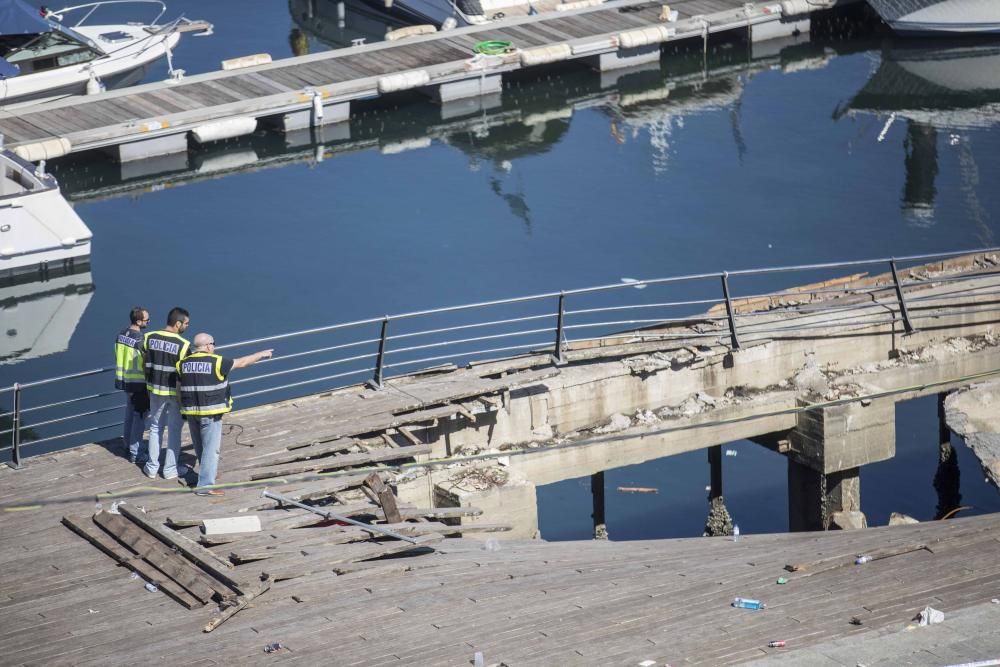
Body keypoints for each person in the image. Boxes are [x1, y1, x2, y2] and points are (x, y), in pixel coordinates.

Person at [176, 333, 272, 496]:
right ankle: (205, 486)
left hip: (190, 412)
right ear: (207, 346)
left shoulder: (182, 364)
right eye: (213, 344)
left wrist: (181, 408)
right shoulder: (217, 361)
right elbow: (242, 363)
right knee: (211, 449)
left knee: (200, 447)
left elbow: (179, 388)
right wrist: (261, 354)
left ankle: (207, 473)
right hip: (210, 413)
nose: (214, 347)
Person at [142, 307, 191, 479]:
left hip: (154, 390)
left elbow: (144, 361)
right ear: (177, 323)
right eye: (186, 323)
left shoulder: (149, 337)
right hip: (174, 394)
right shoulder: (183, 345)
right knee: (174, 430)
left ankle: (151, 467)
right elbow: (185, 374)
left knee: (155, 427)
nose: (187, 326)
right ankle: (170, 470)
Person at [114, 306, 150, 464]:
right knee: (139, 418)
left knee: (129, 414)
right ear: (138, 321)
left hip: (124, 381)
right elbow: (145, 362)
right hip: (138, 384)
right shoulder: (140, 339)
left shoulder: (121, 334)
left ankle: (127, 445)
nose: (148, 322)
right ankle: (137, 453)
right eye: (146, 320)